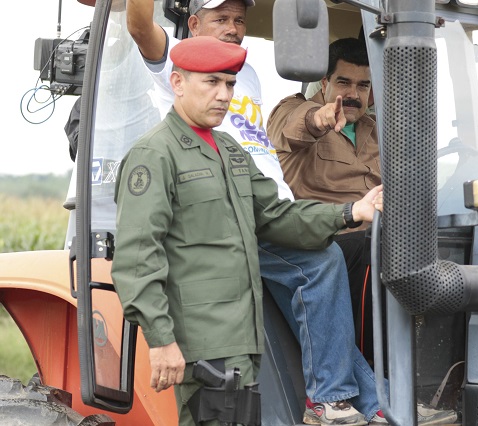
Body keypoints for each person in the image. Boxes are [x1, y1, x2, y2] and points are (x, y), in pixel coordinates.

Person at [125, 1, 434, 425]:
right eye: (220, 19)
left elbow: (273, 209)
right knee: (321, 263)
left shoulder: (233, 129)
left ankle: (374, 403)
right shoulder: (165, 117)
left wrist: (351, 212)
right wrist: (161, 340)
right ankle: (337, 399)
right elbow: (141, 27)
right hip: (220, 238)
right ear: (178, 79)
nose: (223, 93)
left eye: (228, 84)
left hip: (267, 213)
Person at [267, 37, 382, 365]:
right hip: (322, 243)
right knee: (374, 248)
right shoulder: (291, 109)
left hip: (373, 239)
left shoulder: (377, 130)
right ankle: (374, 379)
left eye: (363, 85)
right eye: (344, 82)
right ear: (324, 81)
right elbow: (297, 126)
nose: (354, 94)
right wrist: (321, 119)